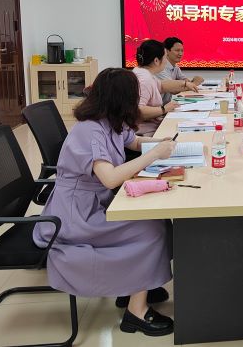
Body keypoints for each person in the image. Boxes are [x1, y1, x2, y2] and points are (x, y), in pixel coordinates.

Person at [33, 68, 178, 336]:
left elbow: (133, 141)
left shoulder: (110, 119)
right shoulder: (90, 130)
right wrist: (155, 154)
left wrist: (162, 142)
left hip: (94, 202)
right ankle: (136, 313)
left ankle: (136, 283)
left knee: (155, 220)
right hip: (76, 214)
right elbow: (110, 178)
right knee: (150, 229)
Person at [132, 40, 179, 136]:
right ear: (156, 61)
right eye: (165, 57)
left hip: (152, 127)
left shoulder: (142, 72)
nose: (166, 61)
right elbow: (138, 111)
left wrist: (185, 84)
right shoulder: (145, 79)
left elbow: (161, 86)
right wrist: (164, 109)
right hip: (146, 133)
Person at [156, 37, 204, 105]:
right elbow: (173, 89)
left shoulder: (175, 66)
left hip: (166, 106)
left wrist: (191, 83)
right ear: (166, 51)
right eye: (177, 50)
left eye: (182, 51)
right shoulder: (160, 68)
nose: (180, 54)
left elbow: (185, 81)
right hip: (157, 108)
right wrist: (195, 83)